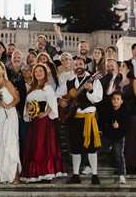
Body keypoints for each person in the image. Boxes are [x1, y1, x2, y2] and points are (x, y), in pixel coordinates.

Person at [58, 57, 103, 185]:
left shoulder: (93, 80)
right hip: (73, 118)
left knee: (91, 147)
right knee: (75, 148)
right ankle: (76, 175)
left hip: (89, 117)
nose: (78, 66)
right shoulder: (69, 81)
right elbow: (58, 94)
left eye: (80, 64)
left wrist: (90, 90)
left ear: (85, 66)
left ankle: (94, 175)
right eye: (76, 64)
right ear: (73, 67)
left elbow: (98, 98)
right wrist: (61, 101)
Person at [21, 63, 66, 183]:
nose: (38, 73)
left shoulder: (47, 85)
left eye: (40, 71)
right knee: (34, 145)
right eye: (36, 72)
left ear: (45, 73)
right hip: (34, 120)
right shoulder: (33, 86)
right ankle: (35, 173)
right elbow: (28, 102)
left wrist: (46, 113)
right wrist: (29, 107)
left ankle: (46, 173)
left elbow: (52, 99)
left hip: (43, 121)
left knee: (42, 146)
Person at [0, 60, 21, 184]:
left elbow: (17, 98)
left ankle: (15, 175)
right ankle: (3, 174)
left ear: (3, 71)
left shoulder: (7, 83)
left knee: (10, 142)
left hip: (9, 115)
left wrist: (8, 107)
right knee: (1, 143)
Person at [116, 61, 136, 174]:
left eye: (123, 66)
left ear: (128, 69)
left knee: (132, 139)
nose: (120, 68)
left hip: (131, 113)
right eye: (120, 66)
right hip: (120, 113)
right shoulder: (117, 81)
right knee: (122, 141)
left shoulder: (133, 81)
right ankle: (123, 164)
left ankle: (133, 164)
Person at [104, 92, 129, 184]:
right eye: (114, 99)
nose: (115, 101)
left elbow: (127, 127)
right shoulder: (108, 110)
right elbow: (105, 122)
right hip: (108, 135)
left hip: (119, 136)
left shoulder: (125, 112)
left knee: (119, 154)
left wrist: (119, 127)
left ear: (121, 101)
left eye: (118, 99)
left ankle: (122, 173)